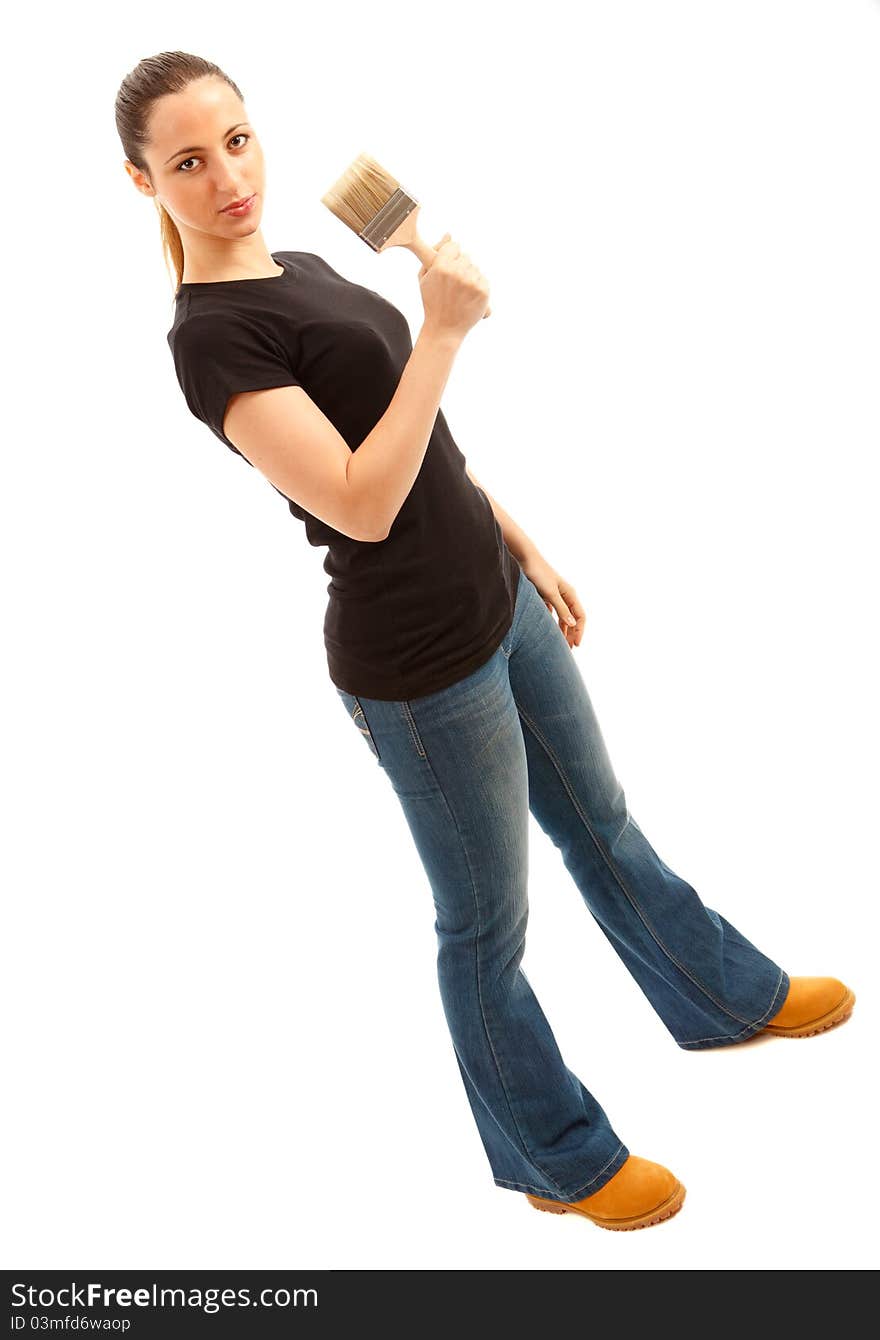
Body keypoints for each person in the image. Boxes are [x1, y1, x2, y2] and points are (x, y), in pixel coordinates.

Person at [116, 50, 855, 1233]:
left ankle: (721, 994)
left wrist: (523, 543)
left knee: (603, 822)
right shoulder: (210, 340)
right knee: (484, 924)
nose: (227, 176)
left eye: (238, 141)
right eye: (188, 162)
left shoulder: (299, 262)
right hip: (415, 665)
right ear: (142, 181)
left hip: (495, 599)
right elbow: (359, 499)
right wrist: (443, 333)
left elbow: (429, 454)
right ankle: (552, 1156)